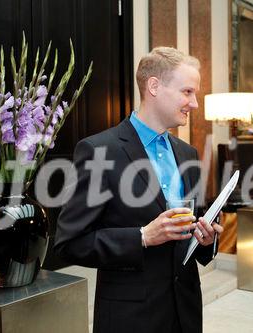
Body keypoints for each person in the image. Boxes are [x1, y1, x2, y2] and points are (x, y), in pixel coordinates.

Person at [54, 47, 223, 333]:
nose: (194, 103)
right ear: (154, 86)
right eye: (187, 92)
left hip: (186, 313)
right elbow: (70, 244)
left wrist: (207, 240)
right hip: (129, 318)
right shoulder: (98, 151)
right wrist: (142, 236)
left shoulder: (188, 153)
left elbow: (198, 225)